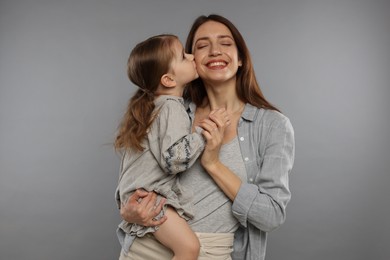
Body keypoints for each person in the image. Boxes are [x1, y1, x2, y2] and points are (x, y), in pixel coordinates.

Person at [119, 14, 295, 260]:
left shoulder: (272, 126)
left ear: (241, 58)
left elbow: (271, 215)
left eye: (225, 43)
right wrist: (128, 211)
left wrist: (213, 163)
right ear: (192, 62)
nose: (214, 51)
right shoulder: (170, 111)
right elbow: (136, 174)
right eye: (201, 46)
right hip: (146, 248)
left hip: (212, 251)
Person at [114, 34, 230, 260]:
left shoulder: (154, 107)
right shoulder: (171, 108)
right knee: (189, 249)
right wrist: (204, 133)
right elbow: (174, 160)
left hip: (139, 196)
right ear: (168, 80)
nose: (191, 56)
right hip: (149, 200)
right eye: (183, 56)